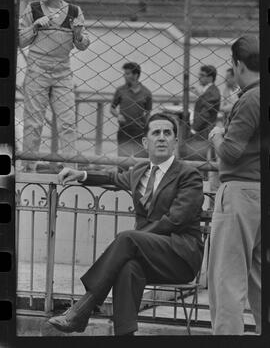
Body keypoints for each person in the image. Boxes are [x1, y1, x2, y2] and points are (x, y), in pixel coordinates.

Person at [48, 112, 204, 336]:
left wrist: (135, 240)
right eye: (156, 133)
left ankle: (83, 308)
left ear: (175, 142)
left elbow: (175, 220)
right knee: (127, 267)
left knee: (127, 239)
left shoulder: (189, 175)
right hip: (147, 256)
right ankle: (125, 335)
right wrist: (80, 174)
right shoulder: (139, 172)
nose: (162, 138)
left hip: (179, 257)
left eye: (167, 133)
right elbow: (112, 178)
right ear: (145, 142)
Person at [208, 35, 260, 334]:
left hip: (241, 193)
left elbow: (229, 153)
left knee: (227, 281)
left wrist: (217, 134)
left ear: (238, 65)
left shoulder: (250, 97)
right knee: (259, 282)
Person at [19, 0, 90, 171]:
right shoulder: (32, 9)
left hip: (62, 72)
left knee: (67, 123)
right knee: (33, 123)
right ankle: (28, 169)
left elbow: (83, 44)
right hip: (37, 70)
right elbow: (19, 41)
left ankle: (69, 169)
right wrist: (34, 27)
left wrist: (77, 34)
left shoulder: (74, 11)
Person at [110, 62, 152, 161]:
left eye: (127, 73)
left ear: (136, 75)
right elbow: (112, 108)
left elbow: (148, 112)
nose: (124, 76)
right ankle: (122, 176)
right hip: (124, 130)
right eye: (124, 73)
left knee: (141, 160)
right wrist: (118, 115)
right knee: (123, 160)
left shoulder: (146, 93)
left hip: (139, 131)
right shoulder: (120, 90)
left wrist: (147, 127)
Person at [192, 65, 221, 140]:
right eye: (199, 75)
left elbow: (205, 114)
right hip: (202, 130)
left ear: (210, 78)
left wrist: (193, 129)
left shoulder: (212, 92)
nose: (199, 77)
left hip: (204, 131)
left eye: (202, 75)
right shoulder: (208, 91)